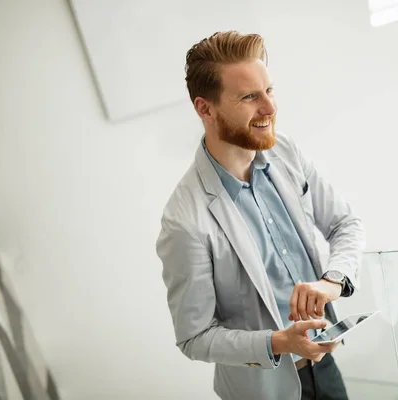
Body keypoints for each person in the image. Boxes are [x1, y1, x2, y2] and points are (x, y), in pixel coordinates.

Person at [156, 30, 365, 400]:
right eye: (250, 97)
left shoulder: (286, 151)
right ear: (206, 109)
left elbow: (345, 223)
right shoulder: (184, 220)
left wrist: (331, 281)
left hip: (325, 364)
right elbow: (195, 337)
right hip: (263, 390)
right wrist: (280, 342)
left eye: (269, 90)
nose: (269, 108)